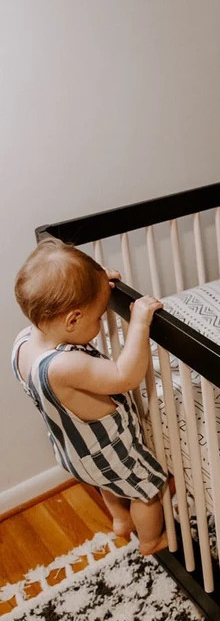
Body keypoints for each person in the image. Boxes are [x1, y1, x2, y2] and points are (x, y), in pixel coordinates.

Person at [13, 238, 168, 555]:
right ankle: (151, 540)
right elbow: (125, 376)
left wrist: (95, 286)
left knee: (109, 483)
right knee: (147, 489)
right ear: (73, 319)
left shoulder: (23, 343)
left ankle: (120, 520)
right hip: (110, 449)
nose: (101, 321)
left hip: (75, 451)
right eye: (98, 316)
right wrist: (139, 323)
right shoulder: (65, 365)